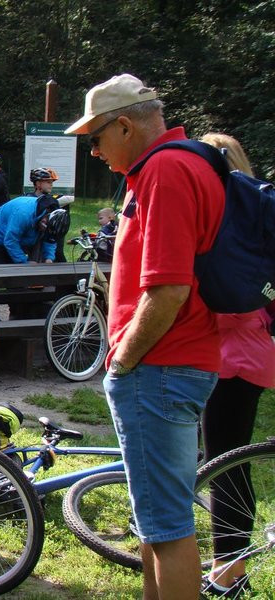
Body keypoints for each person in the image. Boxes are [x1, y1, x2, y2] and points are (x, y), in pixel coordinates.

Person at [65, 73, 225, 599]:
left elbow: (170, 288)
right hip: (171, 364)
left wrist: (122, 360)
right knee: (155, 522)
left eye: (95, 138)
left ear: (126, 126)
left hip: (159, 367)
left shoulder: (165, 169)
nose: (93, 152)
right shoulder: (180, 163)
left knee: (169, 527)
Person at [198, 132, 275, 598]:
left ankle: (230, 572)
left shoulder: (227, 215)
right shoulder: (257, 210)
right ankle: (226, 562)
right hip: (253, 351)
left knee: (227, 462)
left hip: (231, 354)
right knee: (226, 457)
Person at [0, 191, 59, 264]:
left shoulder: (53, 216)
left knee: (12, 270)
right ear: (44, 220)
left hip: (11, 234)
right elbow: (11, 241)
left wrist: (49, 258)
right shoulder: (24, 214)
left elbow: (50, 238)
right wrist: (24, 262)